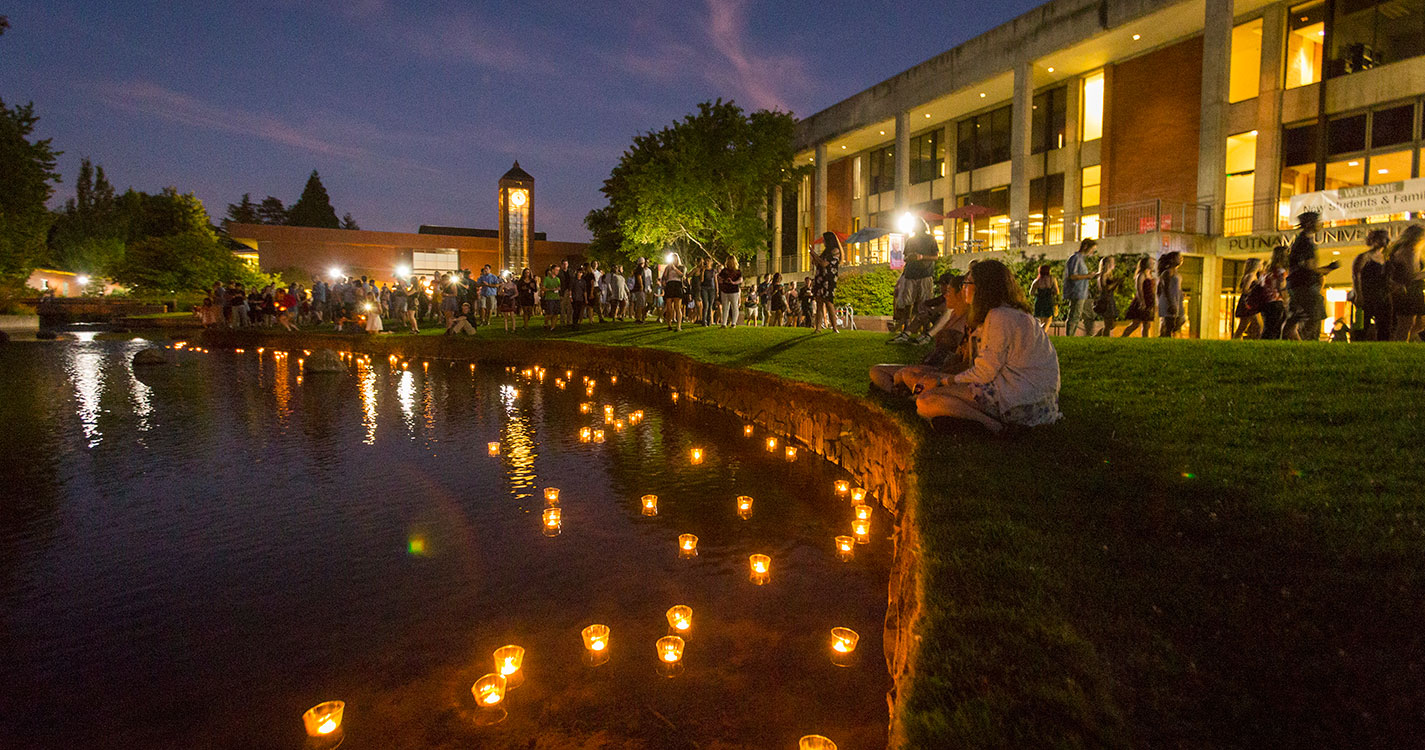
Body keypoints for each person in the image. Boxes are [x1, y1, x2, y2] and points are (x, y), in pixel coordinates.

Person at [914, 259, 1061, 432]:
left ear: (982, 287)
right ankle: (969, 421)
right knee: (929, 401)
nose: (963, 288)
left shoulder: (1000, 316)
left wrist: (943, 381)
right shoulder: (1011, 313)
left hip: (1022, 402)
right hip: (1034, 398)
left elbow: (984, 372)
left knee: (926, 401)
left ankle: (994, 426)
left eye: (967, 283)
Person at [871, 272, 974, 395]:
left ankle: (904, 391)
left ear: (961, 295)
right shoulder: (950, 314)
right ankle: (898, 391)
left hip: (943, 371)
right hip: (932, 367)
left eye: (949, 292)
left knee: (904, 375)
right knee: (877, 370)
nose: (945, 296)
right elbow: (932, 304)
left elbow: (966, 363)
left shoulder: (968, 322)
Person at [1283, 211, 1338, 341]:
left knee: (1297, 316)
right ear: (1309, 223)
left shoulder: (1300, 241)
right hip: (1304, 284)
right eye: (1318, 221)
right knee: (1314, 315)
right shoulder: (1305, 242)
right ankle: (1309, 341)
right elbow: (1309, 266)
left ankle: (1290, 339)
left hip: (1297, 284)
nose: (1321, 224)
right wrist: (1327, 269)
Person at [1387, 223, 1425, 342]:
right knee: (1406, 323)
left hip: (1412, 290)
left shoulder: (1411, 250)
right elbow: (1411, 276)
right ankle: (1397, 344)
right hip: (1408, 290)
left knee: (1417, 322)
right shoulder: (1409, 251)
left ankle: (1396, 341)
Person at [1353, 230, 1392, 341]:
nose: (1382, 241)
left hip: (1383, 294)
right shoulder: (1365, 257)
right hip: (1368, 294)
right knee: (1363, 325)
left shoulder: (1386, 258)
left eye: (1384, 238)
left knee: (1384, 326)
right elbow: (1356, 275)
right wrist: (1358, 294)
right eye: (1379, 239)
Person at [1062, 238, 1098, 336]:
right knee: (1075, 315)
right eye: (1092, 249)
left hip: (1083, 292)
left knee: (1088, 315)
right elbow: (1072, 276)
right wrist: (1088, 276)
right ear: (1086, 246)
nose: (1092, 252)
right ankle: (1070, 336)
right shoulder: (1075, 258)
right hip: (1077, 292)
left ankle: (1089, 335)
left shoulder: (1080, 259)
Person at [810, 231, 843, 332]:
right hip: (821, 278)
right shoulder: (826, 251)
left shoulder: (835, 251)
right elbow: (818, 263)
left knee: (829, 302)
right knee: (819, 302)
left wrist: (814, 254)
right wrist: (814, 258)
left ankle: (834, 327)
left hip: (828, 279)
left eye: (824, 240)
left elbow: (824, 263)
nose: (823, 242)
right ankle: (818, 327)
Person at [1258, 245, 1290, 339]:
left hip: (1265, 301)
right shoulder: (1281, 271)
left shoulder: (1267, 270)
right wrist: (1286, 300)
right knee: (1275, 329)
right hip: (1276, 301)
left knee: (1268, 328)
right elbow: (1281, 286)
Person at [1119, 258, 1156, 337]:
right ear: (1145, 264)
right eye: (1151, 263)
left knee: (1147, 324)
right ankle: (1123, 337)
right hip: (1142, 300)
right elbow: (1139, 289)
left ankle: (1145, 342)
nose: (1153, 264)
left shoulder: (1150, 275)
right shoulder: (1141, 274)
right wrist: (1142, 302)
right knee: (1135, 324)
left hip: (1149, 300)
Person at [1231, 258, 1263, 339]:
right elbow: (1245, 290)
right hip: (1249, 303)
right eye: (1260, 264)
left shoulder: (1253, 275)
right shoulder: (1251, 275)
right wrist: (1256, 291)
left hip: (1250, 302)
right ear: (1256, 265)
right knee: (1258, 326)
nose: (1262, 266)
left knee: (1243, 326)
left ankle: (1235, 340)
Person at [1157, 251, 1185, 337]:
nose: (1181, 259)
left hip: (1176, 300)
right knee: (1169, 323)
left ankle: (1165, 337)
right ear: (1172, 260)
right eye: (1178, 257)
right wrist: (1170, 303)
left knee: (1181, 319)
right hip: (1169, 300)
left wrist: (1181, 293)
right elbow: (1165, 288)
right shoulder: (1167, 272)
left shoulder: (1176, 273)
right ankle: (1164, 339)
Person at [1092, 256, 1121, 336]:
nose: (1114, 264)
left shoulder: (1109, 274)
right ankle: (1104, 338)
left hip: (1110, 298)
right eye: (1112, 262)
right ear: (1108, 264)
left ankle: (1096, 337)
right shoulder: (1103, 275)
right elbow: (1105, 288)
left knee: (1111, 324)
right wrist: (1116, 282)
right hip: (1105, 299)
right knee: (1108, 323)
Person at [661, 253, 687, 331]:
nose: (674, 260)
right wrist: (668, 268)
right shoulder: (668, 267)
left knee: (677, 307)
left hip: (677, 285)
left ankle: (678, 326)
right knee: (669, 307)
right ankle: (669, 323)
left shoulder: (681, 267)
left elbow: (682, 275)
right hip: (669, 285)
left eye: (675, 258)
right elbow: (664, 277)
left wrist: (674, 268)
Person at [717, 255, 744, 328]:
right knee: (726, 307)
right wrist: (722, 281)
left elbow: (740, 279)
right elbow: (719, 278)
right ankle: (724, 323)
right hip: (725, 290)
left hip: (733, 291)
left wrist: (733, 282)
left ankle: (733, 323)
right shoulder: (724, 270)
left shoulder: (737, 271)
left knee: (733, 307)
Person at [1030, 264, 1058, 332]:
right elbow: (1057, 291)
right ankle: (1043, 334)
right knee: (1048, 320)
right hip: (1048, 300)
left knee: (1040, 320)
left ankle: (1040, 334)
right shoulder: (1052, 279)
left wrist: (1038, 294)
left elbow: (1031, 293)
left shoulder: (1037, 281)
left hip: (1039, 301)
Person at [541, 264, 561, 330]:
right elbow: (543, 288)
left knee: (555, 313)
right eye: (556, 270)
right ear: (552, 270)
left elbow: (559, 287)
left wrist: (558, 289)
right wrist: (551, 290)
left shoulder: (558, 279)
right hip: (549, 298)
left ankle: (553, 327)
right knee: (549, 313)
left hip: (556, 298)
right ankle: (546, 323)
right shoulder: (547, 279)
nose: (557, 271)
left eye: (558, 270)